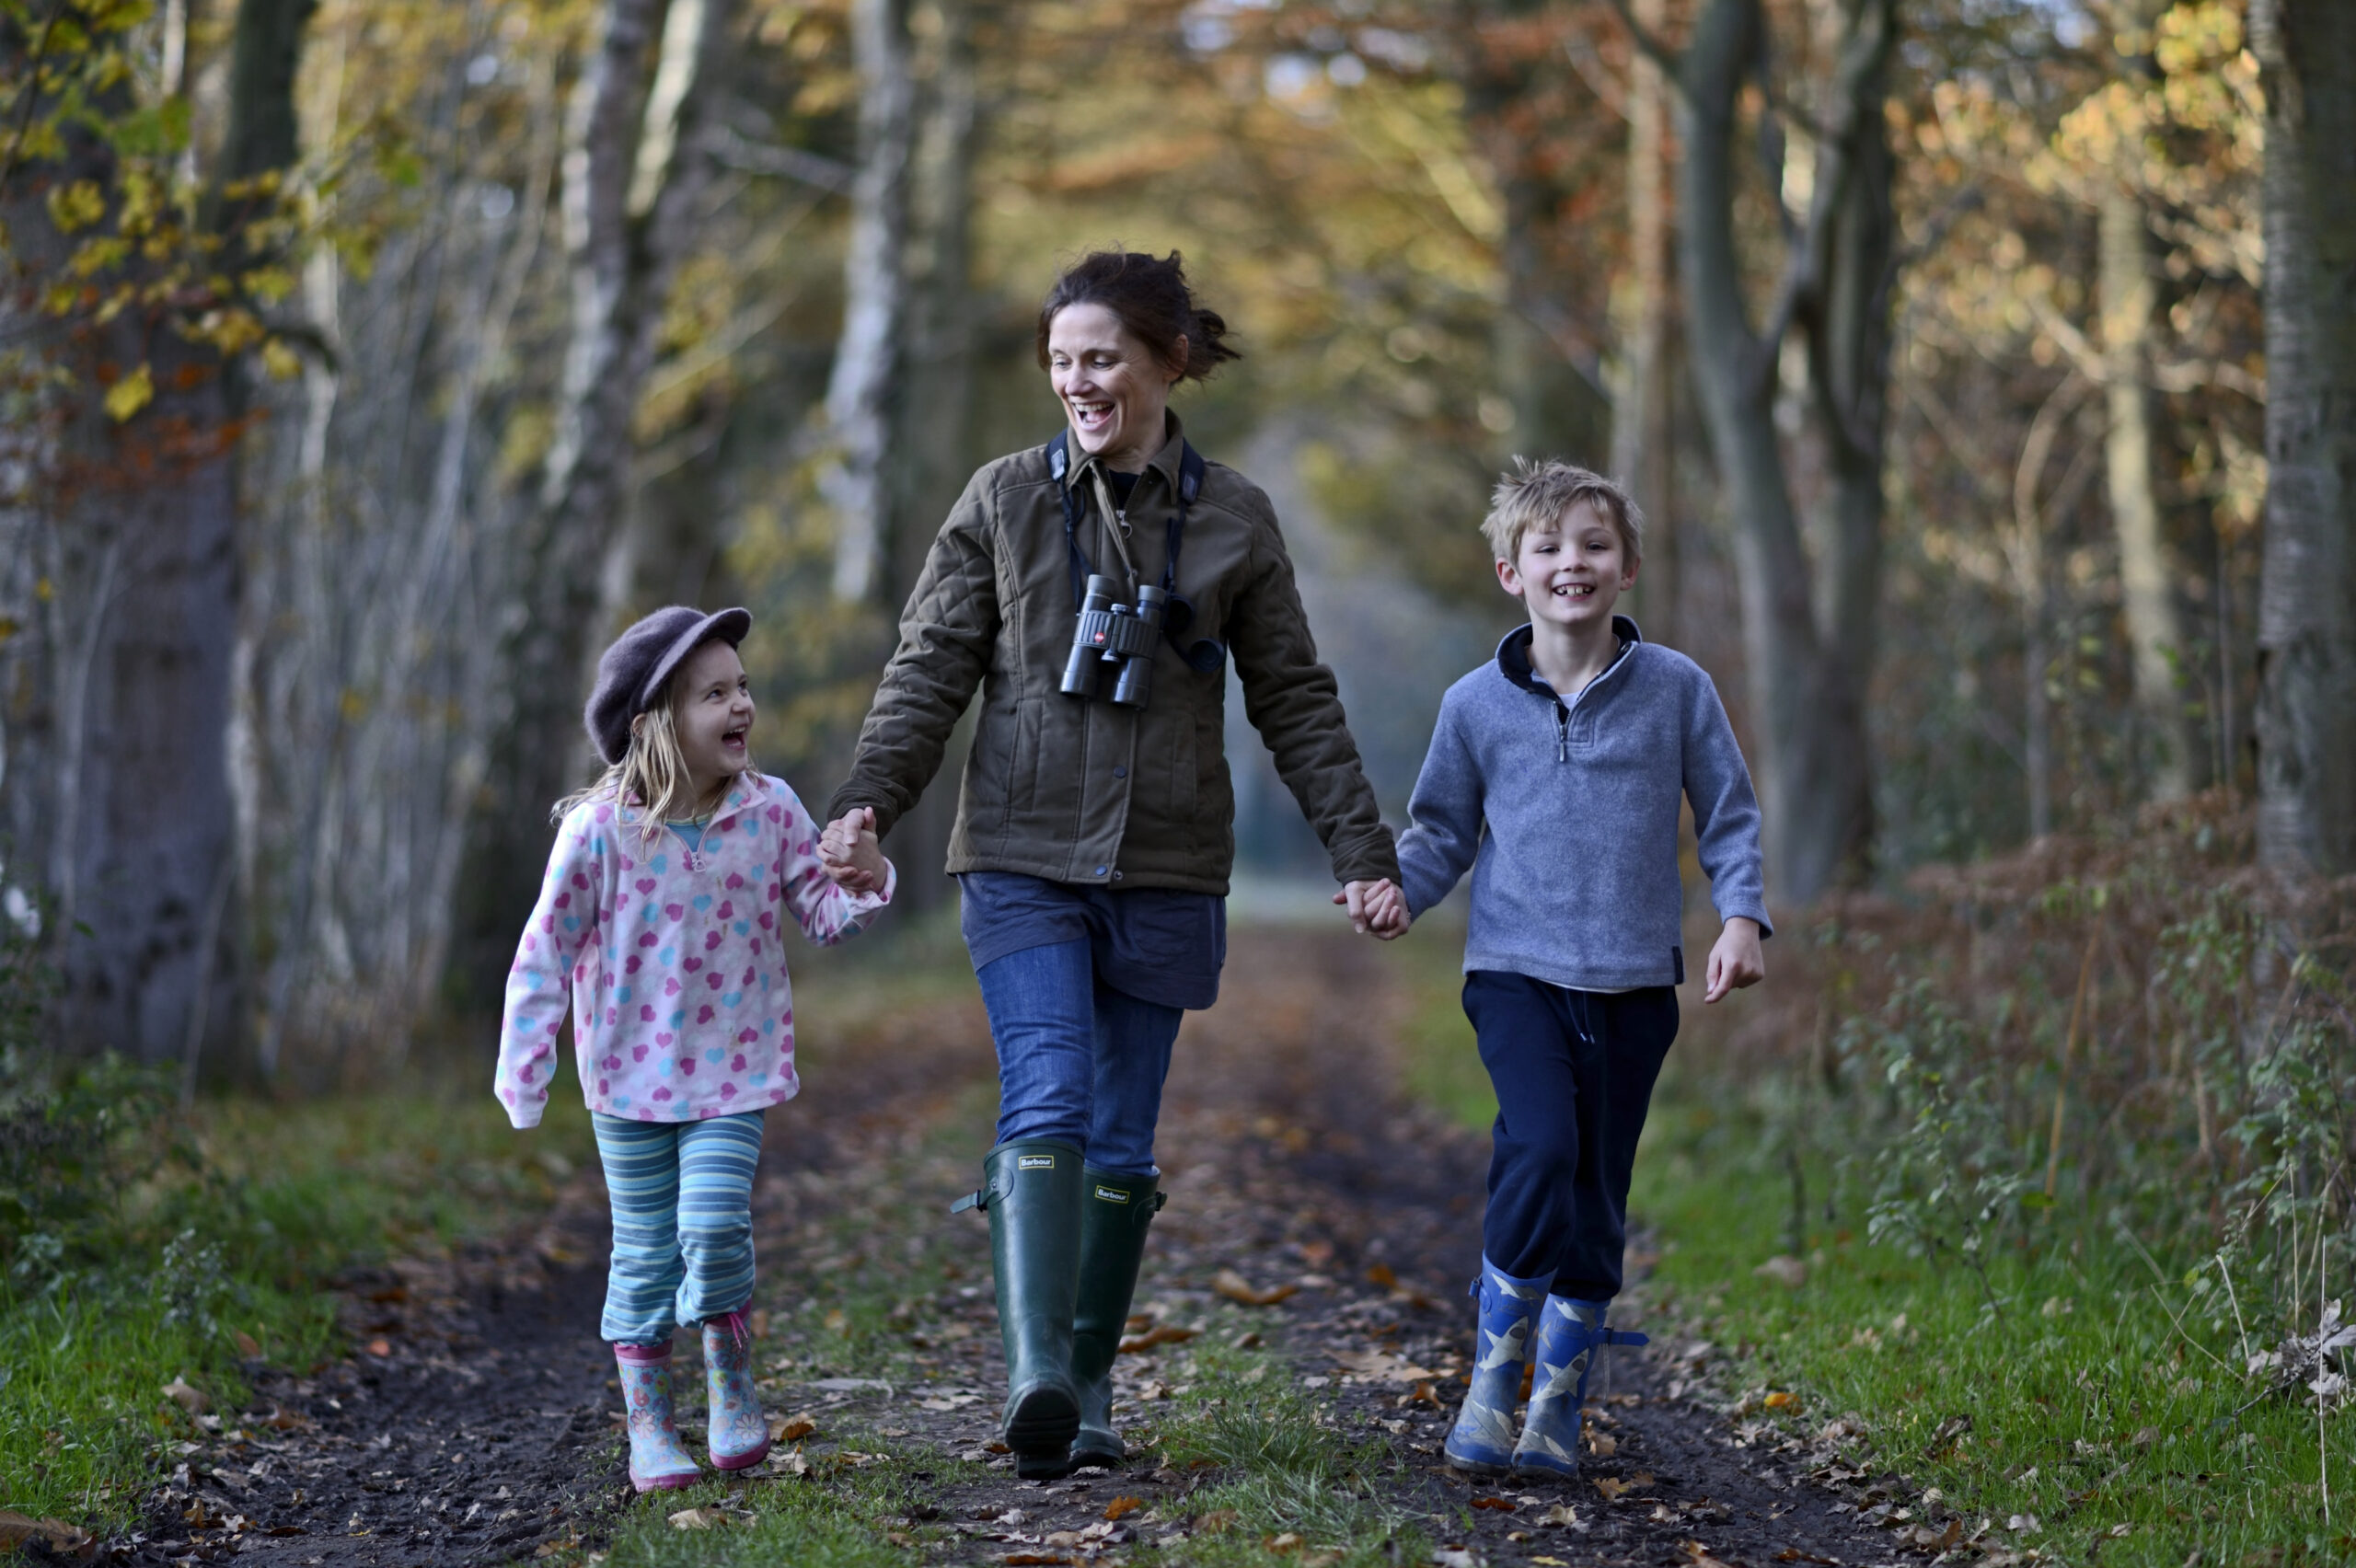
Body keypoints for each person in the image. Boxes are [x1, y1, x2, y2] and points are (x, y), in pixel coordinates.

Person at [819, 250, 1403, 1479]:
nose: (1079, 382)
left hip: (1170, 865)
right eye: (1062, 360)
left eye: (1102, 359)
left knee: (1125, 1142)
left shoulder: (1235, 515)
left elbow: (1293, 694)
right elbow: (930, 665)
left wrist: (1361, 850)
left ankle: (1082, 1391)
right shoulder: (1001, 499)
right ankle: (1034, 1369)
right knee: (1048, 1100)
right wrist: (871, 800)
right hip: (1023, 856)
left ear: (1167, 361)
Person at [1379, 459, 1768, 1479]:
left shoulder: (1677, 690)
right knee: (1541, 1147)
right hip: (1512, 971)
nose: (1571, 563)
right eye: (1547, 547)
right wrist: (1396, 894)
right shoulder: (1473, 705)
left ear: (1626, 565)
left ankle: (1556, 1404)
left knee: (1597, 1190)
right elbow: (1437, 833)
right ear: (1510, 570)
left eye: (1593, 545)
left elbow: (1728, 814)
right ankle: (1490, 1382)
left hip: (1637, 984)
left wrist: (1740, 919)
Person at [494, 605, 895, 1493]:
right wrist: (525, 1070)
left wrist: (864, 875)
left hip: (732, 1072)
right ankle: (648, 1422)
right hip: (626, 1083)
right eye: (714, 693)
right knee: (643, 1253)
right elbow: (544, 953)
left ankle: (730, 1383)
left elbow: (825, 917)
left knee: (712, 1229)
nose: (741, 704)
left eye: (742, 686)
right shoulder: (597, 833)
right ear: (656, 724)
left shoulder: (770, 811)